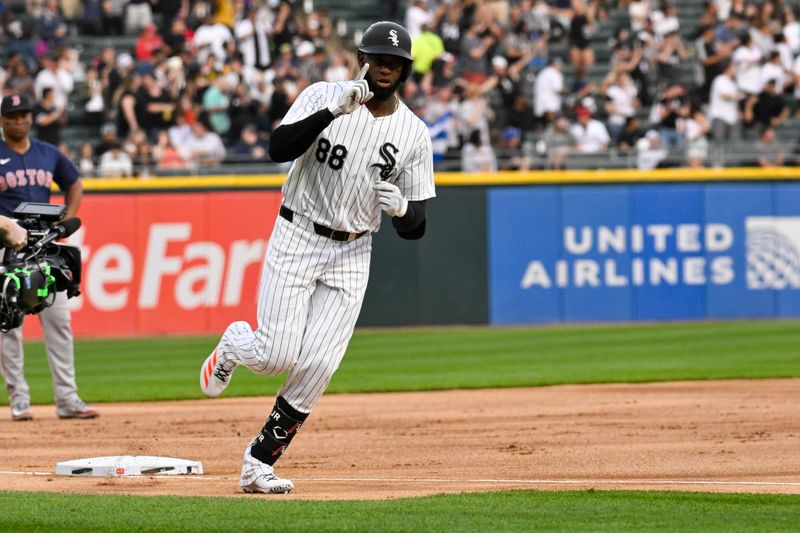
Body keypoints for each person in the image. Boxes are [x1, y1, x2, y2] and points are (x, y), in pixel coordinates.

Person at [199, 21, 435, 494]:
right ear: (362, 59)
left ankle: (258, 463)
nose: (384, 67)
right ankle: (234, 343)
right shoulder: (321, 94)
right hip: (298, 233)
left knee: (321, 365)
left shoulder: (414, 133)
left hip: (354, 249)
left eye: (394, 62)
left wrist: (404, 211)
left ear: (406, 69)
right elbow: (276, 149)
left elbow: (416, 228)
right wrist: (331, 109)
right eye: (377, 58)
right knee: (275, 355)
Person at [0, 94, 98, 422]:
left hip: (43, 247)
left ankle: (68, 400)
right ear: (2, 120)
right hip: (5, 247)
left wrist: (67, 218)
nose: (19, 121)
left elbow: (75, 184)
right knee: (8, 325)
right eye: (12, 116)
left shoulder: (48, 152)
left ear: (31, 118)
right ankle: (19, 400)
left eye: (24, 115)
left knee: (58, 321)